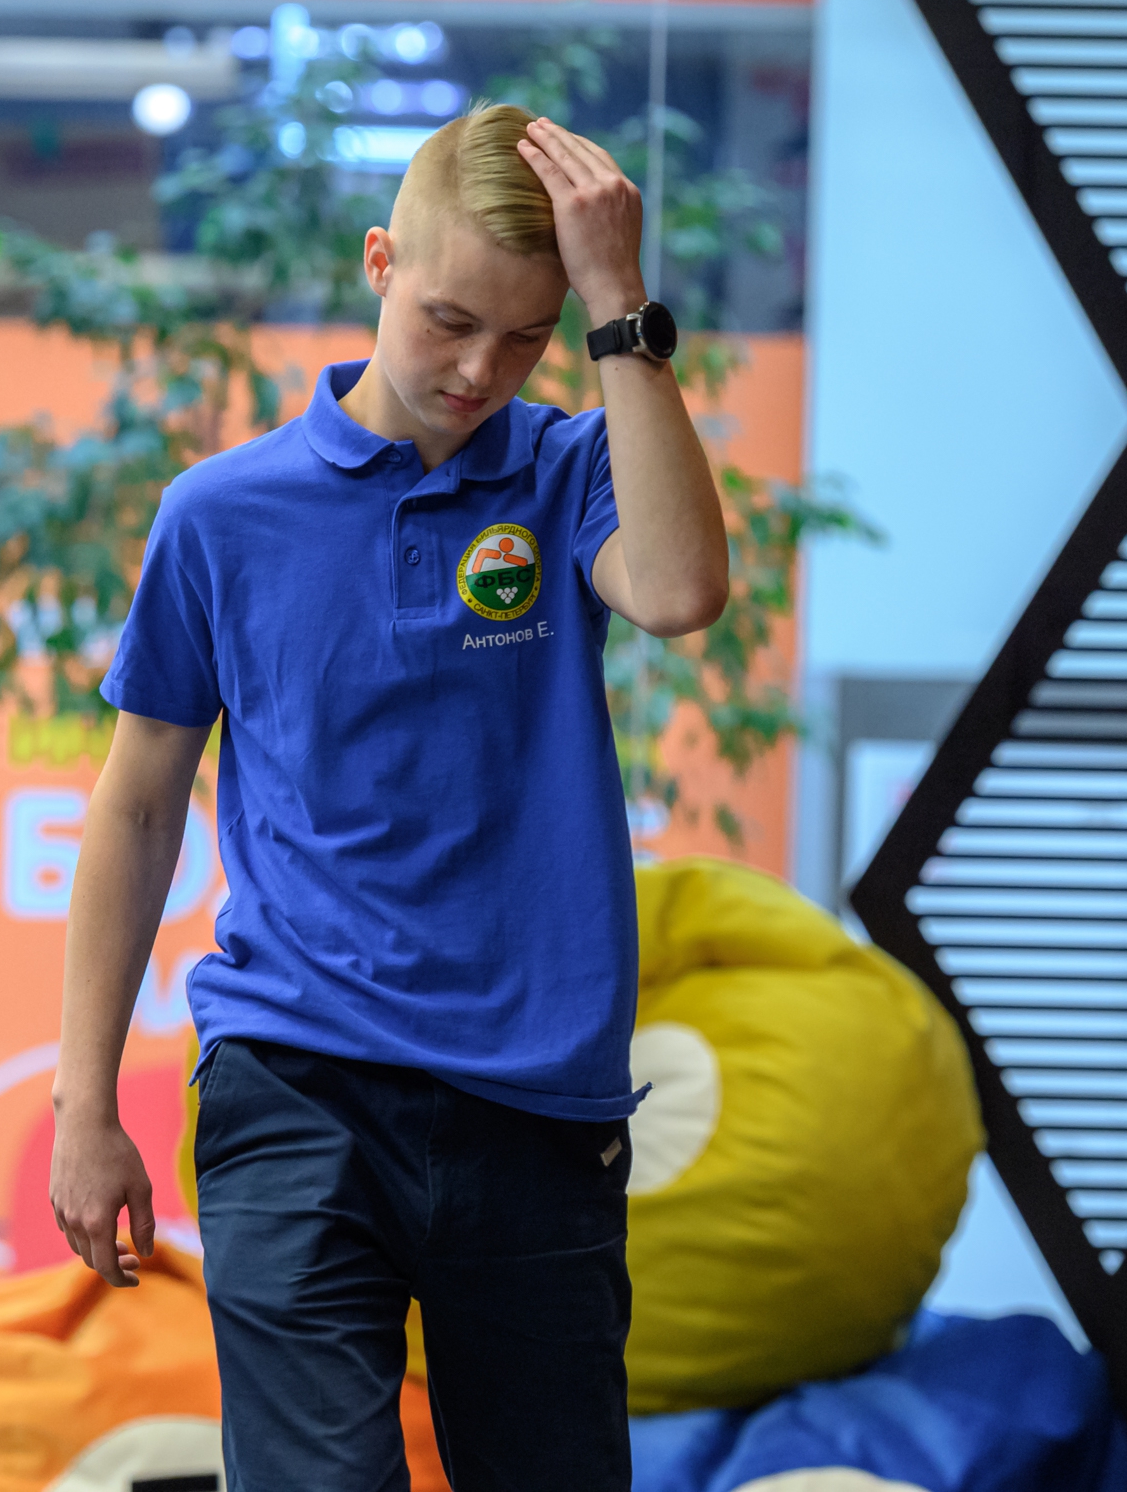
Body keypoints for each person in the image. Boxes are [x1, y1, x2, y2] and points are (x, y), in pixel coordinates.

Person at [48, 102, 729, 1490]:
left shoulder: (569, 471)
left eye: (525, 337)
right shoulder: (219, 516)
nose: (479, 370)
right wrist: (84, 1102)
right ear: (378, 263)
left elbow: (677, 592)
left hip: (539, 1102)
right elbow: (135, 811)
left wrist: (619, 301)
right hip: (297, 1080)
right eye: (448, 320)